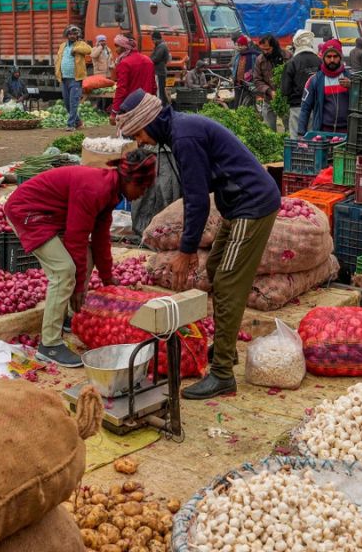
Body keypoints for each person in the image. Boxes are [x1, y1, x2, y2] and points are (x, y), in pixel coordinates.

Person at [117, 90, 281, 399]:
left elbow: (196, 201)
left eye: (138, 133)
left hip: (252, 203)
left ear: (149, 122)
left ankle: (222, 375)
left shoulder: (184, 137)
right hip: (236, 204)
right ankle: (224, 350)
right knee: (218, 269)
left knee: (229, 282)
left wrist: (187, 250)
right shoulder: (179, 131)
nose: (140, 141)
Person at [4, 149, 158, 367]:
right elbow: (75, 237)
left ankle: (66, 317)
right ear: (129, 179)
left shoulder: (111, 191)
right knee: (63, 271)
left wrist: (107, 278)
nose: (142, 194)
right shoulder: (95, 188)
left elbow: (100, 238)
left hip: (52, 215)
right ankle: (49, 345)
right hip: (28, 212)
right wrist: (77, 289)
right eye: (142, 187)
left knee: (85, 257)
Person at [298, 39, 352, 135]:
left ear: (340, 57)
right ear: (323, 58)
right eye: (328, 56)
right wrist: (301, 133)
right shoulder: (315, 80)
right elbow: (305, 109)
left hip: (346, 132)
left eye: (335, 56)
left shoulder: (350, 78)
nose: (332, 60)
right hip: (323, 132)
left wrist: (353, 87)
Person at [281, 30, 319, 138]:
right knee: (313, 140)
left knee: (296, 141)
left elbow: (285, 90)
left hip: (297, 107)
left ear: (296, 43)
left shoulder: (292, 63)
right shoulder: (319, 61)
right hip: (315, 108)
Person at [56, 25, 93, 131]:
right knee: (67, 103)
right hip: (64, 79)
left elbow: (89, 50)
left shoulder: (81, 44)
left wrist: (75, 49)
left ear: (78, 35)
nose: (72, 36)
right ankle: (78, 121)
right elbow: (58, 59)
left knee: (73, 102)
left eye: (75, 34)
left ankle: (70, 125)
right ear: (67, 35)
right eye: (70, 34)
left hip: (75, 79)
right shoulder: (63, 45)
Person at [110, 34, 155, 116]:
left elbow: (121, 89)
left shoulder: (124, 63)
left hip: (131, 106)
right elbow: (153, 86)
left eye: (117, 46)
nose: (116, 49)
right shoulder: (148, 60)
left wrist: (114, 112)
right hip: (147, 105)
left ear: (125, 46)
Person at [253, 35, 284, 131]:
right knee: (268, 129)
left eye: (268, 49)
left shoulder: (287, 56)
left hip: (286, 99)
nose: (265, 52)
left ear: (274, 47)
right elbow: (257, 80)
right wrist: (269, 91)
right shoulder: (260, 60)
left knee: (290, 129)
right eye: (263, 49)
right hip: (268, 98)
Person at [150, 30, 171, 105]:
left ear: (156, 39)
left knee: (159, 91)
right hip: (160, 72)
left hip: (159, 72)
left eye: (153, 40)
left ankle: (160, 107)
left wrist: (148, 61)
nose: (153, 41)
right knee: (161, 90)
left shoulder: (161, 46)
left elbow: (155, 58)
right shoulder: (160, 46)